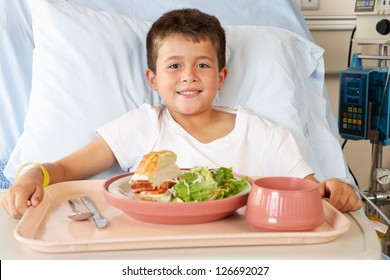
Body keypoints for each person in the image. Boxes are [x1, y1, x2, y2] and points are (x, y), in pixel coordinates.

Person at [1, 8, 361, 219]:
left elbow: (312, 194)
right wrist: (30, 176)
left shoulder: (264, 134)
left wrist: (334, 190)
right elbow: (62, 169)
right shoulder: (143, 126)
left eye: (202, 64)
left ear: (221, 77)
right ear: (153, 80)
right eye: (174, 65)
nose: (189, 75)